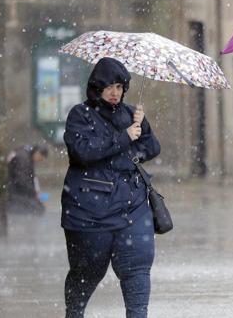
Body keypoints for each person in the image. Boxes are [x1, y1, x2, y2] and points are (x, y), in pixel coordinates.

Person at [60, 57, 161, 318]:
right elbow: (83, 152)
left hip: (133, 209)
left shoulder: (130, 114)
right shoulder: (79, 115)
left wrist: (143, 125)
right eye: (108, 87)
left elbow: (150, 150)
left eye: (119, 86)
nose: (115, 92)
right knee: (86, 273)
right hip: (89, 213)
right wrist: (123, 136)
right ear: (96, 88)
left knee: (138, 270)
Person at [7, 144, 48, 215]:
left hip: (19, 191)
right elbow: (21, 181)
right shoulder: (23, 160)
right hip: (16, 193)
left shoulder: (27, 155)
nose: (39, 161)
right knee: (38, 210)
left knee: (39, 208)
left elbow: (30, 177)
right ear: (38, 153)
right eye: (40, 159)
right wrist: (34, 194)